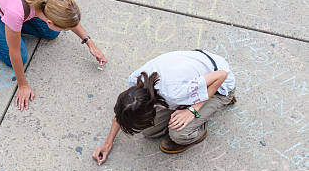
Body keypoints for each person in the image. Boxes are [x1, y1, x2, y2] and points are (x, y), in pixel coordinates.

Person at [92, 50, 236, 164]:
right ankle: (188, 112)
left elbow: (221, 75)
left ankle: (199, 126)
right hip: (192, 77)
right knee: (148, 132)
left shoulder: (174, 93)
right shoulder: (135, 81)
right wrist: (107, 143)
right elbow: (123, 113)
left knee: (178, 134)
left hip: (220, 87)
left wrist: (192, 110)